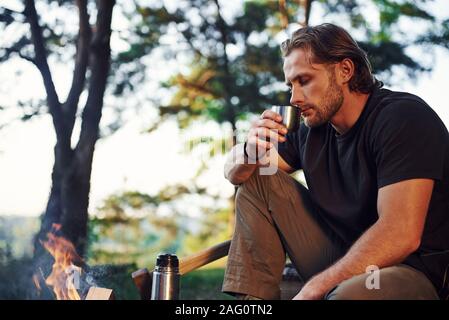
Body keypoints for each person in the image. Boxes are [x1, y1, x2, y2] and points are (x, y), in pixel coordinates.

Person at [222, 23, 449, 300]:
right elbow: (236, 174)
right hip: (342, 256)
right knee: (257, 175)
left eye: (304, 80)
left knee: (348, 296)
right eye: (290, 85)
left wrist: (313, 289)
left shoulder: (402, 118)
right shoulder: (311, 128)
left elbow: (400, 234)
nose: (294, 98)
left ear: (345, 70)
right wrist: (248, 150)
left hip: (408, 269)